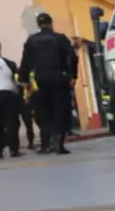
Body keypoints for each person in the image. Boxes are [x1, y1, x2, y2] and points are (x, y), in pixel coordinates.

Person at [18, 12, 77, 154]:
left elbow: (25, 62)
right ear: (51, 23)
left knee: (43, 111)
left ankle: (46, 142)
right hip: (59, 79)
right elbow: (72, 58)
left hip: (41, 80)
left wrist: (25, 80)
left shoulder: (32, 40)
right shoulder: (60, 39)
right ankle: (59, 142)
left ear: (39, 25)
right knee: (60, 110)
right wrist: (72, 76)